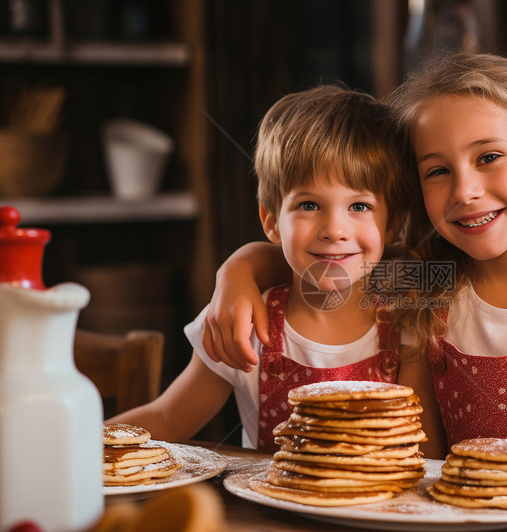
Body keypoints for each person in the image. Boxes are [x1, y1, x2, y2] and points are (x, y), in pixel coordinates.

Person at [201, 52, 507, 522]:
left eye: (489, 157)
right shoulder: (428, 286)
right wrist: (238, 272)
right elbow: (324, 271)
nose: (464, 191)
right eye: (438, 171)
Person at [108, 85, 442, 454]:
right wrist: (68, 445)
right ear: (271, 221)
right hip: (264, 512)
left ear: (391, 225)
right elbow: (169, 420)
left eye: (359, 206)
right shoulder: (245, 322)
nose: (334, 229)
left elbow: (424, 455)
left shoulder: (409, 322)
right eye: (310, 205)